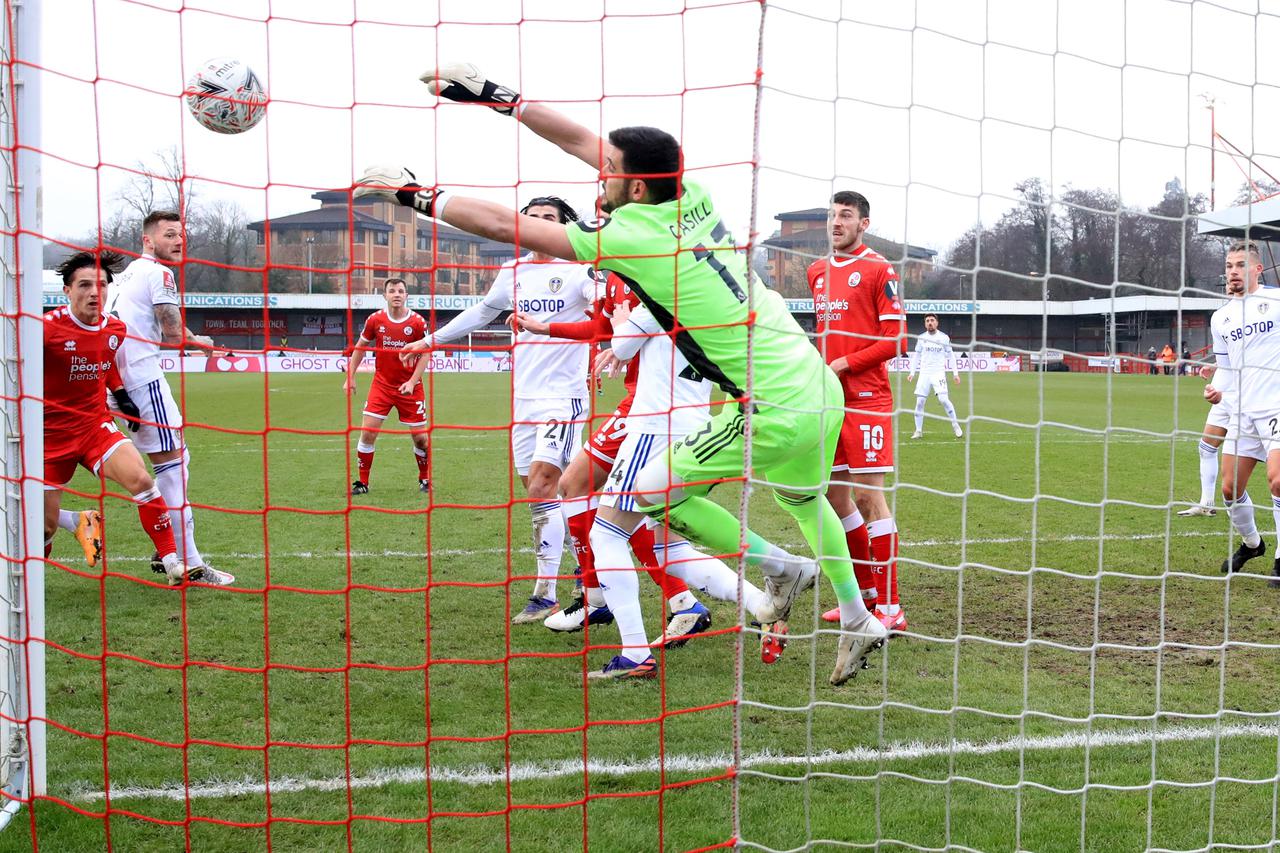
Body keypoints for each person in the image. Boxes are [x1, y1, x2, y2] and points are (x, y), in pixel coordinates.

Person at [359, 61, 888, 684]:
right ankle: (857, 617)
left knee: (638, 499)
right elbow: (587, 142)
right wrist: (498, 97)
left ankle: (775, 570)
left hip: (770, 404)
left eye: (611, 172)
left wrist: (415, 196)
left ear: (634, 188)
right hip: (815, 382)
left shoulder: (630, 236)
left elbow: (506, 225)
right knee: (803, 499)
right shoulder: (691, 193)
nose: (599, 171)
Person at [398, 197, 598, 625]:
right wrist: (429, 341)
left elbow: (608, 315)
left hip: (563, 398)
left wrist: (609, 351)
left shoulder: (580, 269)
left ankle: (550, 591)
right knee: (548, 496)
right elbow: (483, 312)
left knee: (544, 487)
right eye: (533, 218)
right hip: (523, 399)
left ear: (564, 227)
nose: (540, 225)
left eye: (549, 219)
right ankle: (588, 573)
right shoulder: (513, 272)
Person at [515, 272, 712, 649]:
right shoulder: (613, 278)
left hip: (651, 406)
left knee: (577, 487)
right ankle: (679, 601)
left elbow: (629, 333)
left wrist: (622, 339)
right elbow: (599, 327)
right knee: (625, 509)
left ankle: (599, 599)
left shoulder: (655, 271)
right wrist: (548, 328)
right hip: (644, 403)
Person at [46, 251, 233, 586]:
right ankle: (72, 525)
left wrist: (120, 393)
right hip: (50, 436)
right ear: (67, 291)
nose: (94, 293)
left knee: (143, 481)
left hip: (94, 428)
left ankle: (174, 562)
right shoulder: (45, 331)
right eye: (85, 285)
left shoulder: (114, 328)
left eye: (100, 285)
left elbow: (108, 362)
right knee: (41, 524)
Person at [807, 192, 910, 634]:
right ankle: (864, 598)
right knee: (834, 497)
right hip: (829, 400)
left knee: (869, 497)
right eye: (832, 215)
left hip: (867, 399)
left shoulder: (879, 269)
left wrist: (844, 364)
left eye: (845, 216)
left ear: (863, 224)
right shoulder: (816, 272)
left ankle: (892, 607)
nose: (836, 222)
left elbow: (896, 341)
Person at [105, 211, 223, 580]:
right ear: (148, 240)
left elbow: (157, 322)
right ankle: (190, 564)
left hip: (112, 382)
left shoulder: (125, 274)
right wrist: (200, 342)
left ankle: (165, 549)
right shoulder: (160, 273)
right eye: (169, 235)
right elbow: (172, 333)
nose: (178, 241)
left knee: (171, 462)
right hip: (142, 381)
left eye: (180, 235)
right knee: (172, 468)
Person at [1204, 240, 1280, 585]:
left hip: (1276, 404)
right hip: (1241, 410)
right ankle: (1253, 545)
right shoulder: (1220, 318)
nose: (1232, 271)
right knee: (1230, 488)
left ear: (1257, 269)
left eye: (1239, 265)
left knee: (1277, 480)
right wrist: (1216, 389)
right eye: (1229, 266)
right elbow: (1226, 368)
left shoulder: (1276, 301)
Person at [343, 278, 431, 494]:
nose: (397, 294)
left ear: (406, 295)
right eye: (392, 291)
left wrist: (412, 381)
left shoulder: (418, 322)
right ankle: (363, 483)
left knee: (420, 439)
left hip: (410, 388)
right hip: (382, 386)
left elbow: (426, 353)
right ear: (385, 295)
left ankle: (424, 479)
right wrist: (350, 376)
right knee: (368, 434)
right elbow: (361, 347)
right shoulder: (375, 320)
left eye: (401, 291)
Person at [907, 313, 963, 439]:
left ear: (937, 323)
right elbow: (916, 356)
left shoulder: (944, 338)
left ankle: (955, 424)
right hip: (924, 373)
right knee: (920, 402)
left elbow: (951, 355)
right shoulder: (921, 338)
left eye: (932, 320)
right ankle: (918, 430)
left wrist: (955, 374)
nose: (930, 323)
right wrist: (912, 373)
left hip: (938, 373)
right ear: (925, 323)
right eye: (927, 321)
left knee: (943, 400)